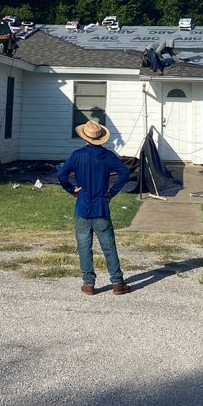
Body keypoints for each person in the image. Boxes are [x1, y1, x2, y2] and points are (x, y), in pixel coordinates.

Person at [56, 119, 131, 296]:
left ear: (85, 138)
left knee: (84, 245)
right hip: (101, 207)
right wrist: (112, 192)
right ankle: (117, 282)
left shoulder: (77, 155)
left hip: (82, 206)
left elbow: (61, 174)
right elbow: (124, 172)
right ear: (101, 138)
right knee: (108, 245)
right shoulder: (108, 156)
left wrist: (72, 189)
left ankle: (88, 283)